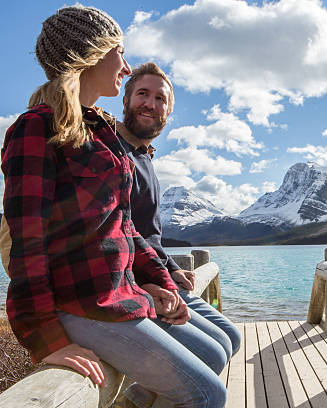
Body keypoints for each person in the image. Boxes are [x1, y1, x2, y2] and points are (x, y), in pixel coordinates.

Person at [1, 6, 226, 408]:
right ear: (90, 52)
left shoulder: (101, 131)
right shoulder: (35, 127)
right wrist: (45, 338)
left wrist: (162, 283)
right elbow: (27, 241)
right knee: (206, 394)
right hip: (78, 305)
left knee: (212, 353)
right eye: (118, 52)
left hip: (117, 297)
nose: (125, 66)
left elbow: (123, 227)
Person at [117, 62, 242, 360]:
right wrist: (146, 283)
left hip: (157, 276)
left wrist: (172, 268)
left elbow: (148, 235)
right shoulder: (114, 149)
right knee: (214, 354)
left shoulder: (143, 154)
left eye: (160, 99)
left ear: (168, 111)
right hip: (136, 285)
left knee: (232, 339)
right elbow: (117, 230)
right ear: (125, 100)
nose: (150, 104)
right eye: (143, 94)